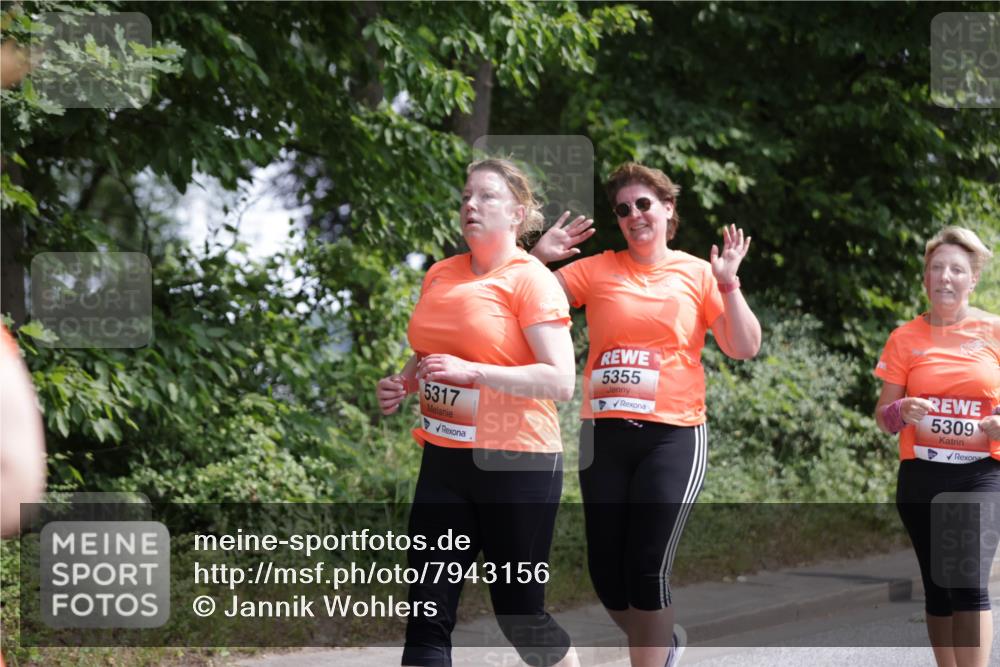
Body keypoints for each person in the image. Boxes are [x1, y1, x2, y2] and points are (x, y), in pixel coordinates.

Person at [531, 162, 761, 667]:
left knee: (647, 568)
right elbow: (521, 299)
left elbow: (743, 347)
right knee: (607, 576)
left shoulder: (698, 273)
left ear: (667, 208)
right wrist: (537, 258)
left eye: (643, 204)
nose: (633, 215)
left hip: (672, 436)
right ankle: (665, 644)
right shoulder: (597, 269)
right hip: (604, 437)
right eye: (622, 209)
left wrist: (729, 285)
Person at [376, 158, 580, 667]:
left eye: (486, 196)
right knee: (426, 616)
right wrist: (404, 381)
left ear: (517, 213)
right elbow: (430, 350)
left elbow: (560, 381)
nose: (471, 204)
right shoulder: (440, 274)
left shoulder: (531, 280)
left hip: (518, 462)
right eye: (466, 196)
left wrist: (475, 373)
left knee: (520, 617)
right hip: (445, 461)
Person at [874, 226, 1000, 667]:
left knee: (967, 582)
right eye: (937, 268)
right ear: (926, 277)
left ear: (973, 279)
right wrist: (901, 410)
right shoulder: (904, 337)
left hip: (981, 474)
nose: (945, 277)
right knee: (939, 589)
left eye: (957, 270)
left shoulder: (995, 330)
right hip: (922, 476)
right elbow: (883, 417)